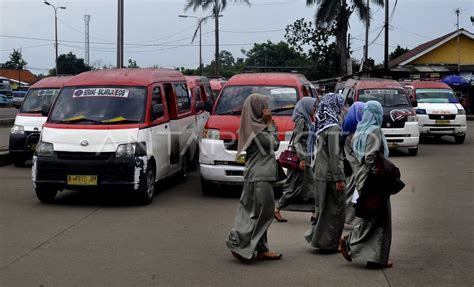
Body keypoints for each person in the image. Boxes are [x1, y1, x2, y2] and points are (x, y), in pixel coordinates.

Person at [226, 93, 282, 263]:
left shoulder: (253, 125)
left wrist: (268, 124)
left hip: (256, 174)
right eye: (264, 106)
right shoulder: (256, 129)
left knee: (254, 212)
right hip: (260, 176)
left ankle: (261, 248)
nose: (267, 109)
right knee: (262, 214)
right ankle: (238, 242)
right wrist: (270, 123)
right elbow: (273, 144)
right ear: (258, 109)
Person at [339, 100, 393, 269]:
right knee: (381, 220)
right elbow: (370, 158)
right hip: (374, 181)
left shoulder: (359, 131)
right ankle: (351, 243)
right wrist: (381, 174)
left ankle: (375, 257)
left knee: (372, 217)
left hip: (363, 179)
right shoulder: (374, 130)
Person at [304, 93, 346, 252]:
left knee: (324, 210)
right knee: (335, 210)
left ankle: (318, 239)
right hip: (330, 175)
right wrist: (339, 178)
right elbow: (335, 155)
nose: (341, 109)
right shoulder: (333, 127)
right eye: (340, 106)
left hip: (320, 172)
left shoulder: (322, 124)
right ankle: (329, 243)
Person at [274, 97, 318, 222]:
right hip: (300, 159)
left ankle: (315, 212)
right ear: (307, 107)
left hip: (305, 159)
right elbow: (297, 141)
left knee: (311, 186)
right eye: (313, 106)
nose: (315, 108)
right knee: (294, 187)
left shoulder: (308, 120)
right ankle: (277, 208)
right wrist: (302, 158)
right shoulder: (301, 121)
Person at [341, 102, 366, 235]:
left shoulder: (349, 126)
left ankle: (346, 218)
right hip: (355, 168)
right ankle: (343, 217)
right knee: (353, 193)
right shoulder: (354, 130)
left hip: (353, 167)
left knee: (351, 193)